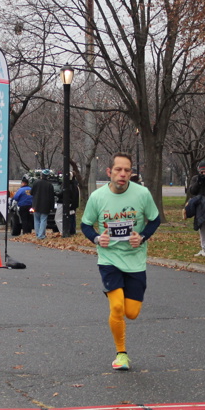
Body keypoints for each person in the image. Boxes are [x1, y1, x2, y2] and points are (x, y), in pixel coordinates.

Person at [80, 153, 161, 371]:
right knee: (117, 307)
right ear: (109, 172)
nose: (122, 174)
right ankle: (121, 354)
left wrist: (142, 236)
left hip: (135, 260)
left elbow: (155, 219)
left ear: (131, 173)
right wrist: (97, 238)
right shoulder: (97, 197)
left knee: (131, 313)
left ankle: (121, 301)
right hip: (109, 259)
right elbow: (85, 224)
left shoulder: (142, 194)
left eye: (127, 170)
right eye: (118, 170)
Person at [31, 170, 56, 240]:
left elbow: (31, 192)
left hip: (36, 204)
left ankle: (38, 234)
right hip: (45, 205)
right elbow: (51, 197)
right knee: (43, 220)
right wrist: (52, 207)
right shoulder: (49, 185)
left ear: (41, 175)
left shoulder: (36, 182)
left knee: (36, 220)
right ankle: (41, 235)